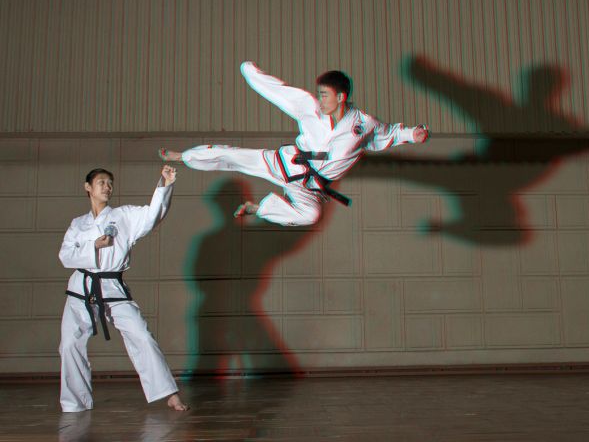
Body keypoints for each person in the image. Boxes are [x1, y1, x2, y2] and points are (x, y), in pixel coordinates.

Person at [159, 61, 430, 226]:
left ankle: (259, 208)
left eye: (326, 95)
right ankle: (183, 156)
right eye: (320, 94)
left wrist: (411, 135)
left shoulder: (363, 125)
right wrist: (251, 73)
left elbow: (387, 134)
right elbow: (279, 92)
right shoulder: (310, 108)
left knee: (311, 216)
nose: (320, 100)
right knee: (234, 157)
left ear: (342, 97)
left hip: (311, 189)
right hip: (286, 164)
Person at [58, 165, 188, 412]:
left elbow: (152, 215)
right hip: (81, 288)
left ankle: (169, 393)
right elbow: (65, 257)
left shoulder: (124, 216)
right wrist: (94, 246)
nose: (107, 187)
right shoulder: (78, 224)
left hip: (112, 285)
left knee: (141, 336)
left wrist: (165, 184)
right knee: (69, 344)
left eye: (110, 183)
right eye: (101, 182)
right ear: (88, 187)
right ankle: (74, 403)